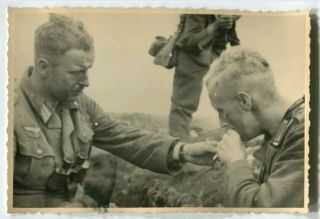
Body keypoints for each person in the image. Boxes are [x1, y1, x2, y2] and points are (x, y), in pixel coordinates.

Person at [12, 14, 218, 208]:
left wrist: (183, 151)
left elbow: (125, 137)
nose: (86, 82)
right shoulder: (11, 111)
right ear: (43, 67)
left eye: (87, 70)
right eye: (76, 73)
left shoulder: (81, 105)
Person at [206, 47, 305, 207]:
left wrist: (235, 162)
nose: (222, 122)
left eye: (222, 111)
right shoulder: (289, 129)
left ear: (245, 101)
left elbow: (261, 211)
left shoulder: (304, 136)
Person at [169, 14, 241, 141]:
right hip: (190, 57)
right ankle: (177, 148)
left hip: (215, 57)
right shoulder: (196, 10)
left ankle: (231, 142)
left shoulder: (225, 10)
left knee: (226, 99)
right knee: (183, 106)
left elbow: (232, 38)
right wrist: (215, 26)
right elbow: (188, 41)